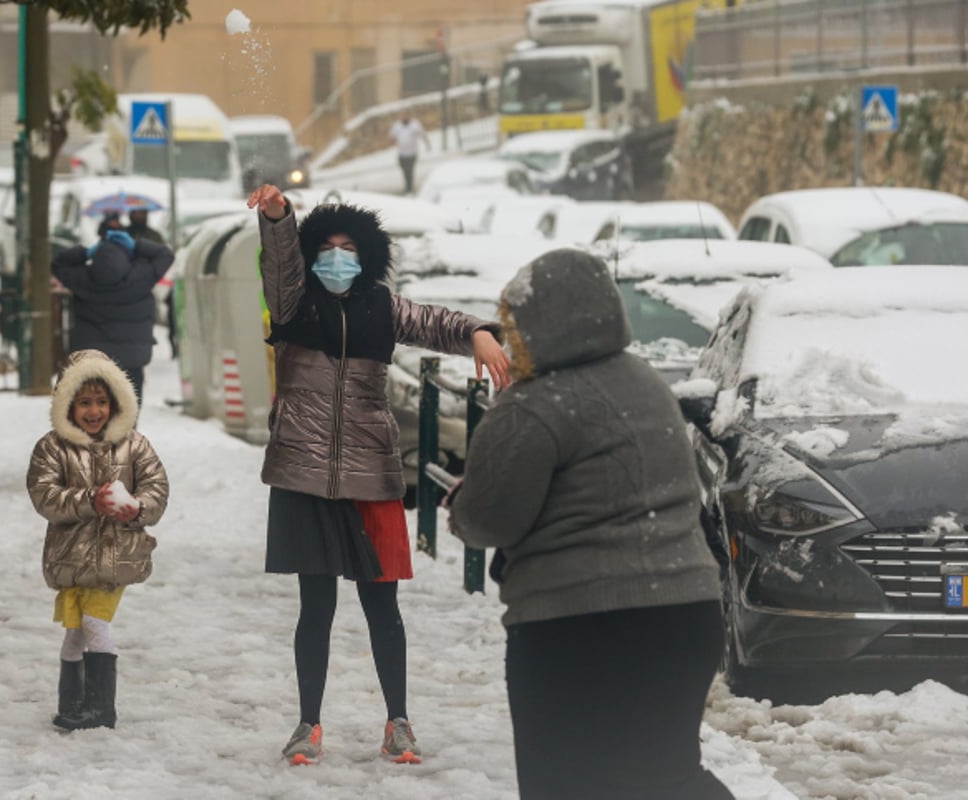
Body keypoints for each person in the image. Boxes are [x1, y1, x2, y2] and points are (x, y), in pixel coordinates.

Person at [446, 249, 734, 800]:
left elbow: (491, 520)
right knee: (666, 777)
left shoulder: (533, 406)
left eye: (514, 328)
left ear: (543, 326)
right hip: (685, 617)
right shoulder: (645, 381)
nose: (511, 342)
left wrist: (461, 506)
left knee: (566, 782)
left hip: (579, 629)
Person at [245, 183, 512, 766]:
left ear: (366, 256)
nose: (336, 257)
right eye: (327, 247)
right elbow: (281, 257)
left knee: (382, 608)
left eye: (349, 247)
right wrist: (279, 215)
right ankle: (307, 725)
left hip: (371, 475)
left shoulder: (382, 307)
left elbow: (438, 322)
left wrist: (479, 333)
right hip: (304, 476)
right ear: (313, 252)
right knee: (314, 608)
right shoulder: (293, 301)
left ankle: (398, 723)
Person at [26, 348, 170, 731]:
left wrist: (137, 508)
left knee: (94, 624)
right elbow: (45, 496)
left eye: (102, 402)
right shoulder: (52, 448)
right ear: (67, 405)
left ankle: (101, 708)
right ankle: (71, 698)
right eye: (84, 403)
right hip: (72, 559)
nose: (94, 411)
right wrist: (89, 500)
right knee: (75, 630)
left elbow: (158, 487)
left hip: (113, 560)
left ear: (116, 402)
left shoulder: (135, 445)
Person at [51, 227, 173, 405]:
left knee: (96, 409)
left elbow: (57, 264)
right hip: (132, 357)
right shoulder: (141, 276)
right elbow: (165, 255)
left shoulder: (83, 278)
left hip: (91, 358)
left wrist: (85, 253)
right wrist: (137, 246)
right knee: (128, 412)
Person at [125, 206, 177, 359]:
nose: (141, 216)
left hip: (147, 281)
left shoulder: (153, 235)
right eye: (138, 213)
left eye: (143, 213)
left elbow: (163, 256)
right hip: (127, 282)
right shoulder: (125, 233)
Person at [388, 110, 429, 195]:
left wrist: (427, 144)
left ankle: (409, 189)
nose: (404, 118)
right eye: (402, 116)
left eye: (405, 116)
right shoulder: (397, 125)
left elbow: (422, 134)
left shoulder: (415, 124)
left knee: (410, 170)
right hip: (402, 153)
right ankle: (407, 186)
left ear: (408, 116)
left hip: (412, 153)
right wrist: (393, 141)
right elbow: (392, 136)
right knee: (404, 170)